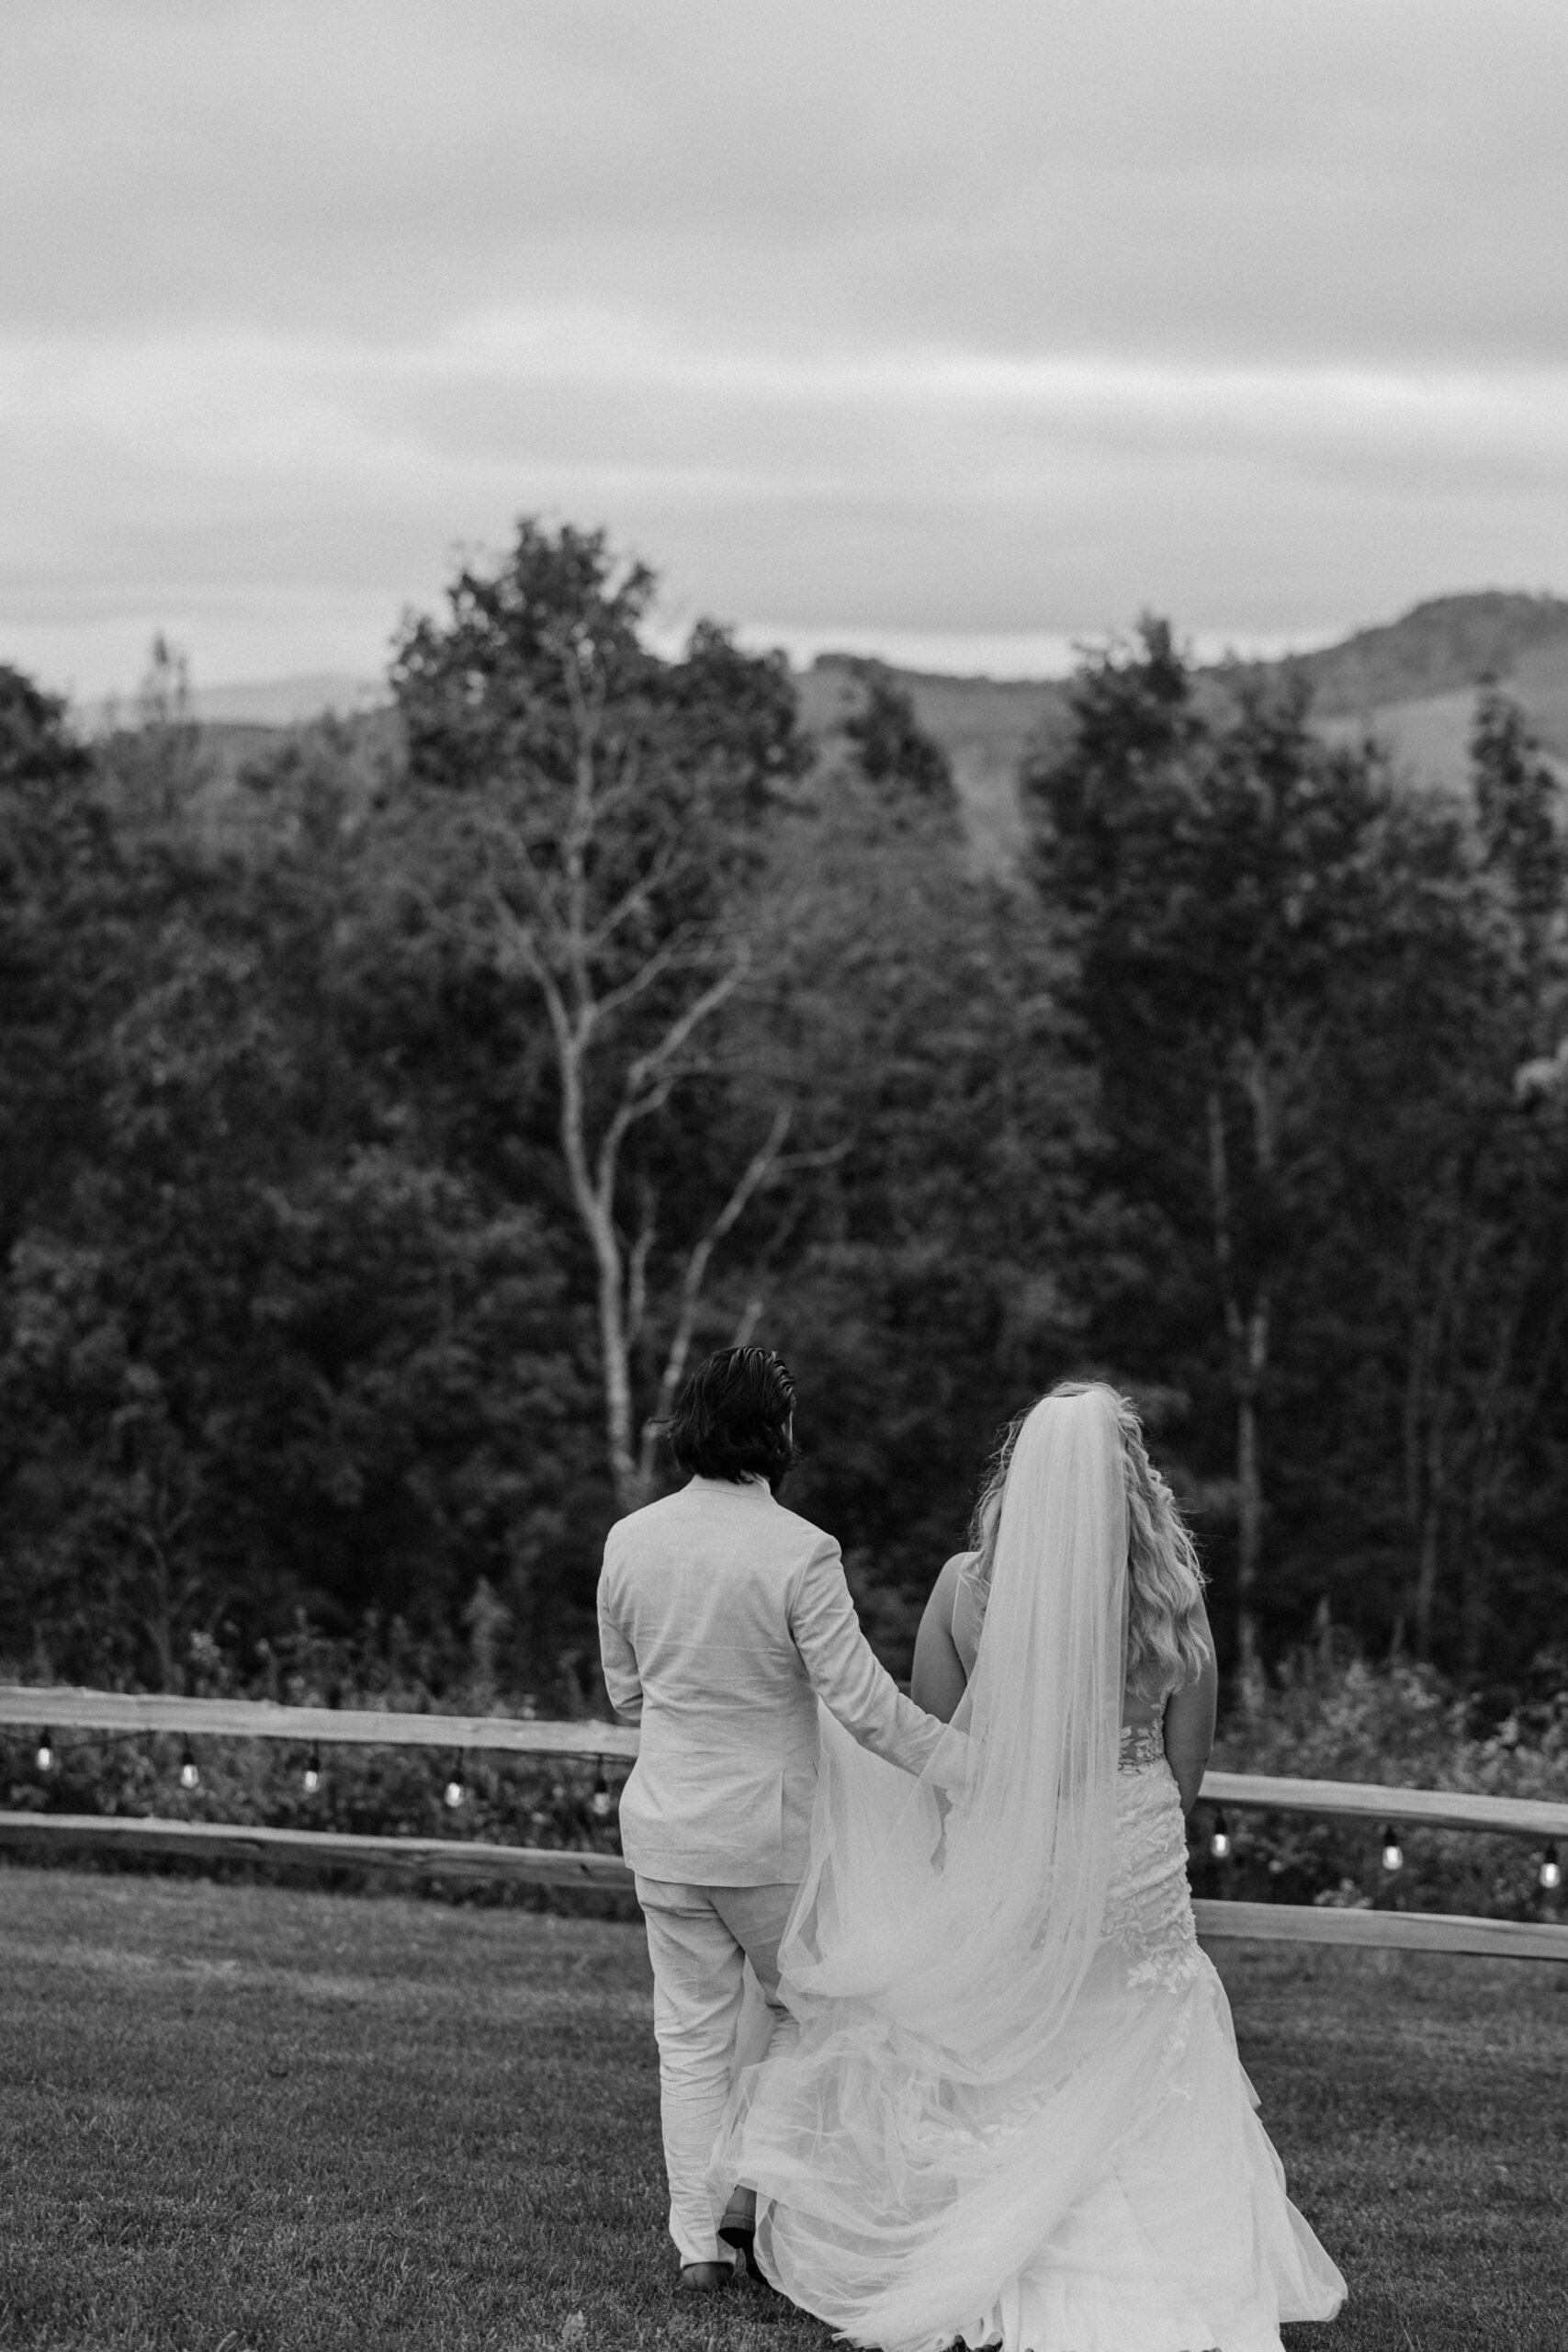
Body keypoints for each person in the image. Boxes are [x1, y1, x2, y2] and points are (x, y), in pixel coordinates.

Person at [712, 1379, 1346, 2351]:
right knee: (1144, 2029)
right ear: (1134, 1481)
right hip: (1134, 1859)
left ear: (1023, 1477)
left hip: (1019, 1858)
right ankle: (1181, 2260)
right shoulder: (1173, 1600)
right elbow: (1182, 1782)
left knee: (1018, 2043)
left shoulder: (967, 1586)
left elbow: (936, 1754)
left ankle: (991, 2241)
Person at [596, 1345, 952, 2295]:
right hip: (766, 1841)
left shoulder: (628, 1539)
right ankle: (753, 2196)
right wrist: (971, 1764)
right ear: (776, 1432)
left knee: (689, 2037)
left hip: (666, 1828)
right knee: (815, 2011)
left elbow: (625, 1695)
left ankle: (698, 2244)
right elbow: (865, 1704)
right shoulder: (801, 1550)